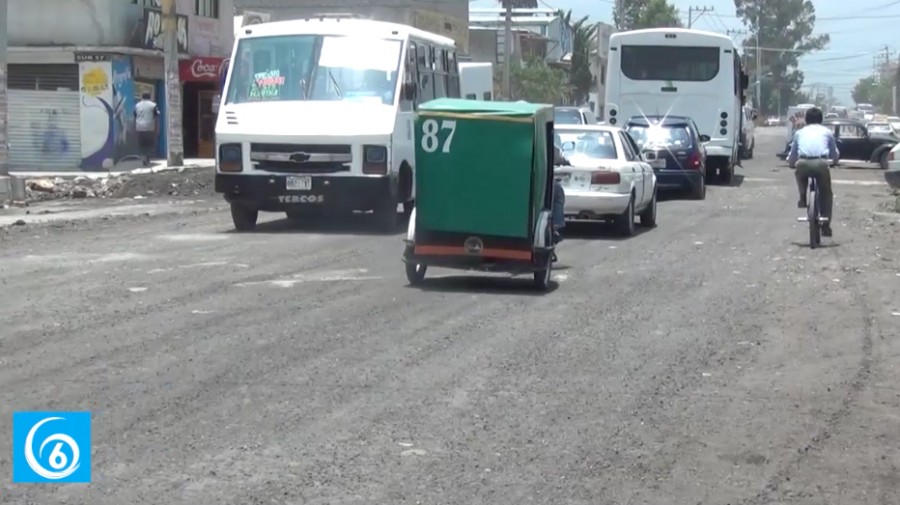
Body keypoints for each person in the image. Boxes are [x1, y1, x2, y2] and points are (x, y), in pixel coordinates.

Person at [787, 106, 839, 237]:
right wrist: (835, 161)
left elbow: (792, 155)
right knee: (826, 193)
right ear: (821, 119)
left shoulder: (799, 133)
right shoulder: (827, 132)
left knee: (799, 173)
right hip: (821, 163)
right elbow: (834, 154)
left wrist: (791, 163)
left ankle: (803, 197)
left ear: (806, 119)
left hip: (803, 162)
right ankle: (826, 225)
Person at [134, 93, 160, 166]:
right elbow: (157, 117)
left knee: (142, 144)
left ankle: (143, 159)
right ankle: (147, 159)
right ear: (150, 97)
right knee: (150, 144)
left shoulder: (137, 105)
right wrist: (157, 128)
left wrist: (135, 128)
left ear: (142, 97)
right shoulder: (153, 105)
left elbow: (135, 116)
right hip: (150, 127)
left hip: (139, 127)